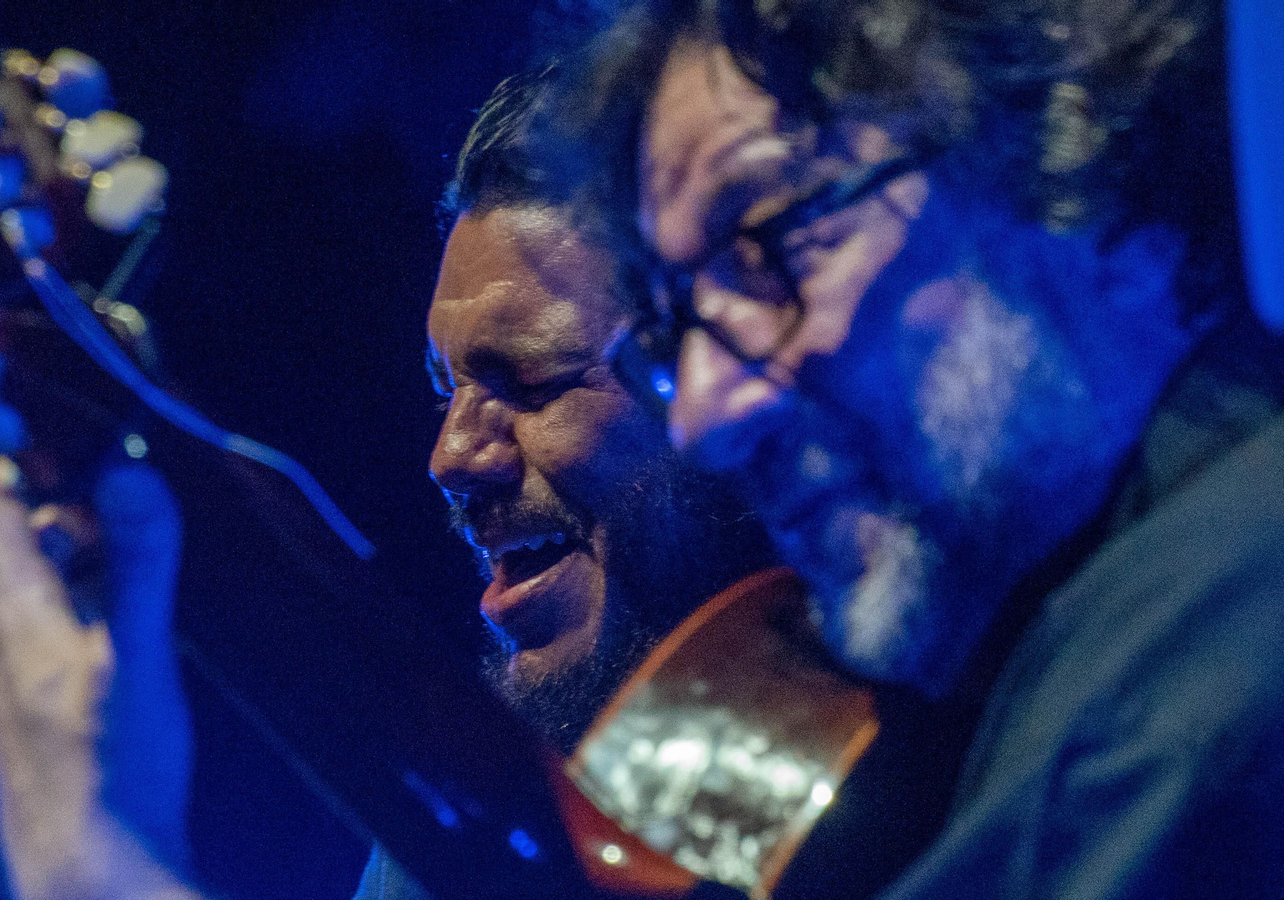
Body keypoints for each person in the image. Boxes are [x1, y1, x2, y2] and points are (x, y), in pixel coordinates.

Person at [0, 68, 769, 900]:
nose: (449, 457)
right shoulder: (463, 846)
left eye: (531, 380)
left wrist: (83, 856)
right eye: (446, 392)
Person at [533, 0, 1284, 896]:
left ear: (1088, 165)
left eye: (773, 241)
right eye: (672, 328)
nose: (700, 417)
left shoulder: (1153, 732)